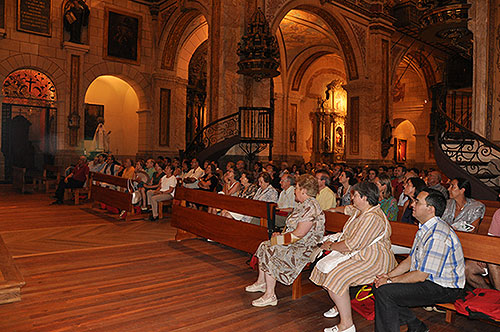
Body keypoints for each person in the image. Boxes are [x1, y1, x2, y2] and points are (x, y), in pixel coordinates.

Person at [374, 189, 465, 332]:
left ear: (431, 209)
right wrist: (387, 276)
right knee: (380, 286)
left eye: (417, 202)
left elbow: (421, 275)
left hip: (446, 287)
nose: (412, 205)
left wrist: (390, 281)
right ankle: (416, 326)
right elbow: (411, 259)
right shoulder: (425, 228)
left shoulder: (438, 234)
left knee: (386, 292)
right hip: (430, 281)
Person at [311, 182, 395, 332]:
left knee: (336, 277)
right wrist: (331, 209)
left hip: (373, 259)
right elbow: (347, 209)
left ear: (365, 197)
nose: (352, 198)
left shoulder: (373, 218)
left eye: (355, 195)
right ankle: (340, 304)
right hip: (358, 255)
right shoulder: (360, 209)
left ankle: (347, 325)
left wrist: (330, 246)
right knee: (322, 270)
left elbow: (351, 245)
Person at [246, 174, 325, 307]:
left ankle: (270, 295)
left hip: (304, 248)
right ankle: (262, 282)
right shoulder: (303, 204)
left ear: (304, 191)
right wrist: (279, 235)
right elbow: (291, 227)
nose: (295, 190)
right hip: (295, 242)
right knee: (264, 245)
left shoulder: (311, 207)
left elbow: (299, 234)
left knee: (272, 249)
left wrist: (279, 240)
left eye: (297, 188)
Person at [465, 207, 500, 291]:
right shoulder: (498, 213)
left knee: (492, 262)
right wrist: (483, 256)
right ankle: (491, 295)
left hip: (496, 258)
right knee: (468, 268)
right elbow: (491, 240)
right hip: (496, 254)